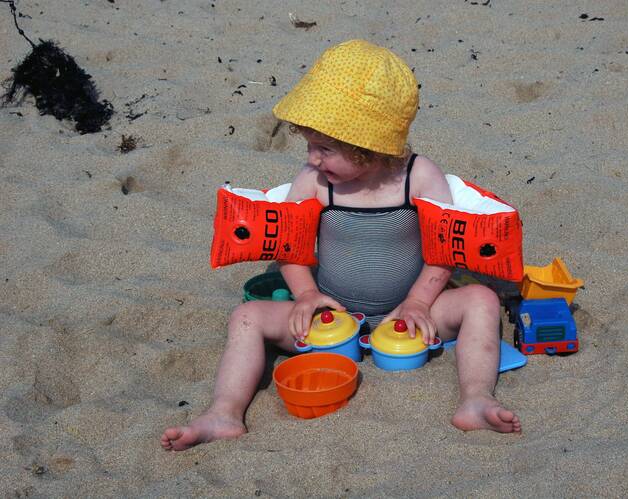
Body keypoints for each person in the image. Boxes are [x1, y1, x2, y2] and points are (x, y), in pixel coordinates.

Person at [161, 39, 520, 451]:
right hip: (329, 312)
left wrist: (420, 302)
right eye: (310, 145)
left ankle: (476, 399)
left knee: (481, 301)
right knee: (246, 316)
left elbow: (445, 249)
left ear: (368, 147)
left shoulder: (418, 177)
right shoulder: (315, 182)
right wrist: (306, 295)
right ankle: (223, 413)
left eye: (325, 148)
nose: (313, 158)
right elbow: (289, 245)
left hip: (413, 310)